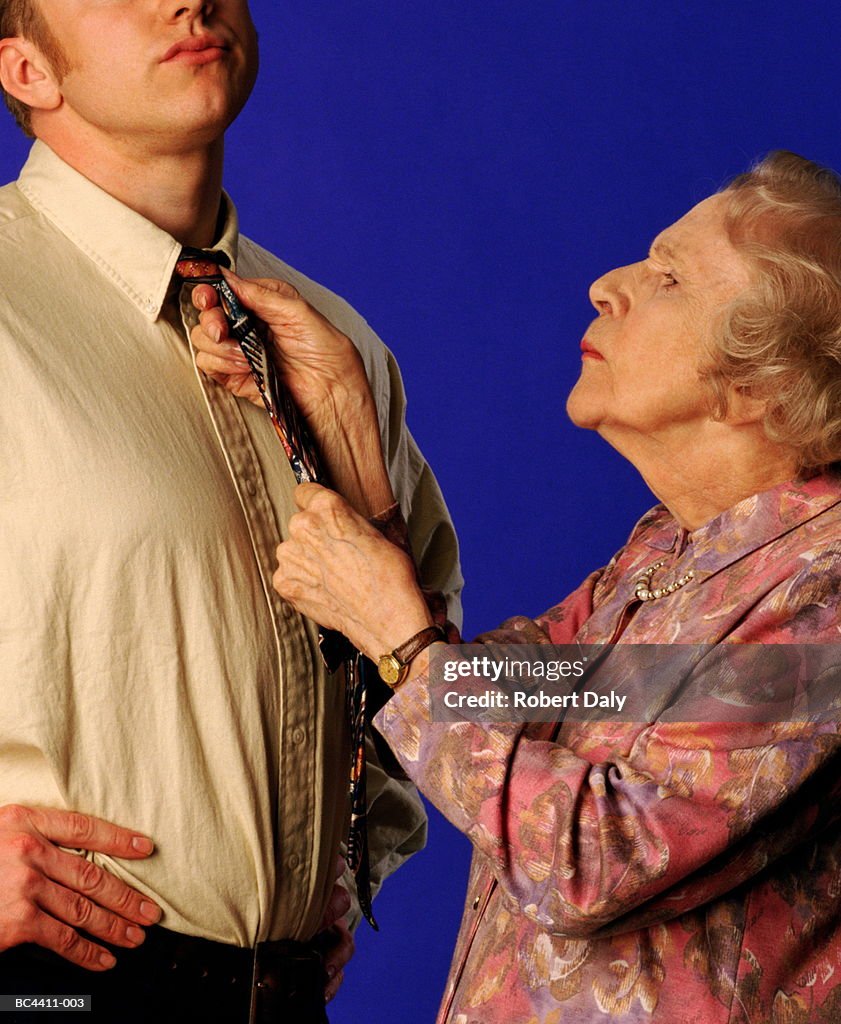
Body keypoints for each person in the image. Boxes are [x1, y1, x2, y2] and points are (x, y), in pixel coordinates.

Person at [192, 151, 841, 1022]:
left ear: (757, 387)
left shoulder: (823, 596)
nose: (605, 286)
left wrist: (402, 640)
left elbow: (595, 862)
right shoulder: (670, 550)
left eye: (667, 277)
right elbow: (500, 691)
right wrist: (348, 425)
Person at [0, 1, 462, 1021]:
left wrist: (344, 857)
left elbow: (439, 678)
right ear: (29, 70)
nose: (188, 0)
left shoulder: (337, 345)